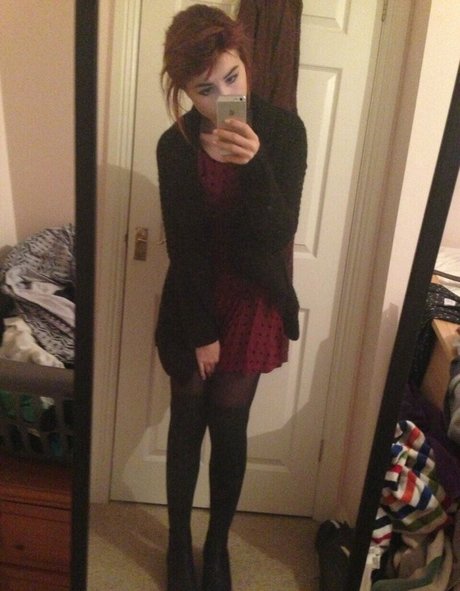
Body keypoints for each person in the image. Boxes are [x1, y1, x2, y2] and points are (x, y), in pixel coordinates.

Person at [155, 5, 307, 590]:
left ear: (245, 62)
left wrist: (255, 164)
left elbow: (277, 233)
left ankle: (216, 550)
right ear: (184, 92)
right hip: (193, 294)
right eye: (205, 90)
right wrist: (200, 332)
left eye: (232, 77)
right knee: (186, 423)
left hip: (253, 297)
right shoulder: (174, 146)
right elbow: (183, 244)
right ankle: (178, 546)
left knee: (229, 428)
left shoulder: (284, 131)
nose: (223, 98)